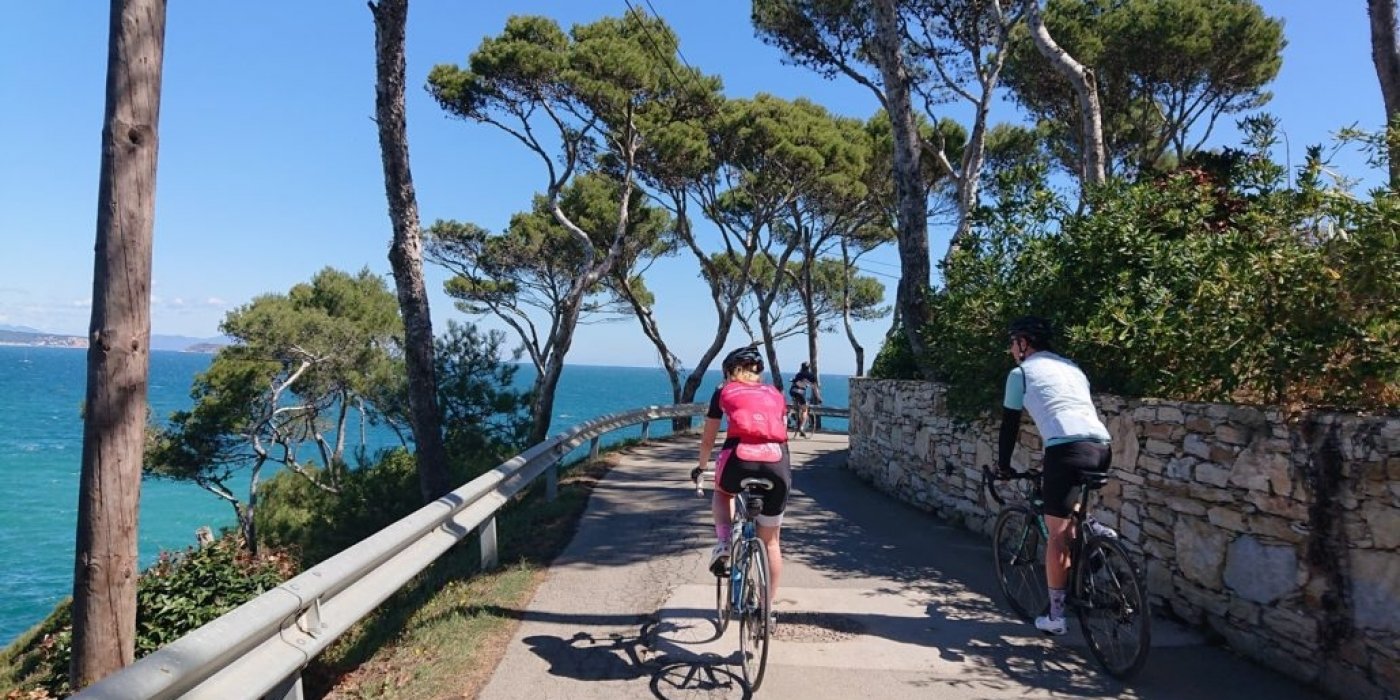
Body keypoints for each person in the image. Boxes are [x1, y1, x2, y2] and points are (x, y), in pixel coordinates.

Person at [997, 316, 1112, 636]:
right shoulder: (1073, 368)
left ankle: (1056, 617)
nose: (1011, 349)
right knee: (1072, 509)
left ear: (1023, 343)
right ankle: (1095, 532)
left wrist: (1002, 467)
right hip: (1101, 446)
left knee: (1056, 534)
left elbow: (1009, 426)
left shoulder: (1020, 373)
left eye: (1012, 342)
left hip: (1065, 450)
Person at [691, 345, 792, 609]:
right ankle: (766, 611)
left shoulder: (722, 391)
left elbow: (708, 439)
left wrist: (701, 467)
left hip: (739, 460)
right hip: (777, 464)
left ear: (728, 372)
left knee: (724, 492)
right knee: (771, 542)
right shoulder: (775, 394)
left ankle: (724, 543)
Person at [789, 361, 818, 437]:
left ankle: (794, 413)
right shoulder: (811, 376)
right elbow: (815, 388)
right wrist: (818, 397)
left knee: (798, 405)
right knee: (804, 410)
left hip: (792, 391)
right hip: (801, 393)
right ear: (809, 368)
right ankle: (801, 427)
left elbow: (793, 382)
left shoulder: (798, 374)